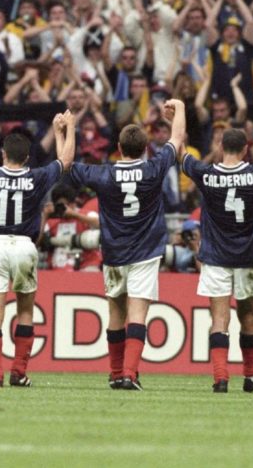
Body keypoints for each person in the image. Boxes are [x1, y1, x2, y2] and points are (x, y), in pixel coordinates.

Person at [67, 100, 186, 391]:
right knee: (137, 314)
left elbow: (67, 164)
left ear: (118, 148)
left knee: (116, 313)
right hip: (145, 252)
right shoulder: (154, 168)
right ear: (146, 149)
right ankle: (130, 374)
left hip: (114, 252)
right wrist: (179, 111)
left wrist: (68, 129)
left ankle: (115, 372)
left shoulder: (104, 174)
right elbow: (177, 139)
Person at [0, 98, 74, 387]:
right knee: (25, 309)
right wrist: (64, 131)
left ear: (2, 155)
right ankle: (19, 372)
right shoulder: (36, 177)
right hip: (24, 245)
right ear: (26, 159)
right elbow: (65, 162)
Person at [180, 126, 253, 393]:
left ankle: (220, 377)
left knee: (219, 318)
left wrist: (178, 119)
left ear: (220, 148)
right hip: (248, 256)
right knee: (248, 314)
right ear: (245, 150)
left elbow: (180, 154)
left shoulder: (206, 174)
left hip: (215, 256)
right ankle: (250, 376)